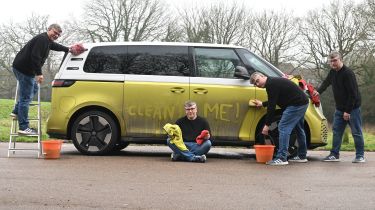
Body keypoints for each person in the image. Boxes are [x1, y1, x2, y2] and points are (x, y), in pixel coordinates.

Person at [11, 24, 81, 135]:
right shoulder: (42, 39)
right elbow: (35, 56)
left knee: (33, 89)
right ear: (49, 30)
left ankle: (16, 111)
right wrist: (39, 74)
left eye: (58, 34)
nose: (56, 35)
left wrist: (68, 49)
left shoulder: (47, 41)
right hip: (24, 70)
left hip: (21, 68)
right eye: (55, 32)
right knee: (26, 98)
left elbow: (55, 46)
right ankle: (23, 127)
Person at [314, 51, 365, 163]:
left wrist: (348, 111)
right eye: (331, 61)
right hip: (339, 109)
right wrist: (318, 92)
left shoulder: (348, 73)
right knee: (336, 131)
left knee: (356, 132)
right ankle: (334, 155)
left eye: (335, 60)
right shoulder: (332, 72)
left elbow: (353, 94)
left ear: (341, 60)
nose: (333, 63)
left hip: (353, 109)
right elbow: (326, 82)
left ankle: (360, 156)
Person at [250, 72, 309, 166]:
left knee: (283, 127)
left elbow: (272, 107)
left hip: (296, 104)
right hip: (302, 102)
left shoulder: (271, 84)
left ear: (263, 76)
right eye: (255, 84)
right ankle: (302, 156)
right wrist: (263, 104)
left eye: (257, 80)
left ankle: (282, 158)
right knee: (299, 129)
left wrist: (267, 125)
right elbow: (274, 100)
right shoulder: (272, 82)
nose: (257, 84)